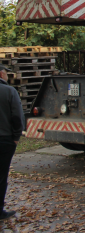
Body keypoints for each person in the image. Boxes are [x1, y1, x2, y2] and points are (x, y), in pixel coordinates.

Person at [0, 65, 24, 220]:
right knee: (1, 177)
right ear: (1, 74)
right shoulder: (9, 92)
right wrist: (16, 137)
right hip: (4, 140)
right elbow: (17, 116)